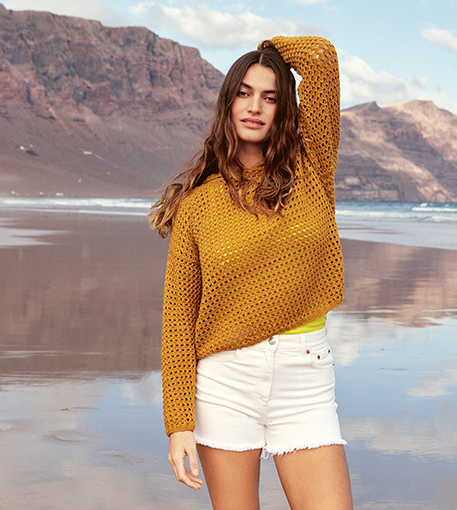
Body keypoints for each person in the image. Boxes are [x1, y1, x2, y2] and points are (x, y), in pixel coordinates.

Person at [148, 35, 353, 509]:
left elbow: (322, 59)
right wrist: (178, 423)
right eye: (243, 92)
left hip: (305, 378)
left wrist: (269, 50)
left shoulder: (311, 168)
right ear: (227, 103)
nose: (255, 106)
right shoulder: (198, 207)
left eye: (270, 96)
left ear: (284, 108)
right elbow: (178, 320)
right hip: (225, 383)